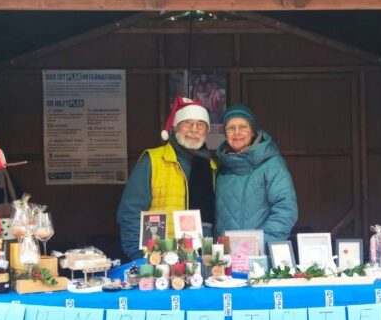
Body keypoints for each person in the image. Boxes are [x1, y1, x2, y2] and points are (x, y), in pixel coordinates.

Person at [117, 97, 216, 260]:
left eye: (200, 124)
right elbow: (130, 211)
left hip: (198, 259)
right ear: (176, 127)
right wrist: (138, 255)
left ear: (206, 131)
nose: (194, 129)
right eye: (187, 123)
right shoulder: (153, 160)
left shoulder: (211, 168)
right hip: (157, 259)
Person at [214, 104, 297, 245]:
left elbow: (285, 209)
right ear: (225, 133)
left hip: (259, 253)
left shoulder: (272, 165)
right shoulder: (221, 168)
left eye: (243, 127)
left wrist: (261, 244)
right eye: (231, 128)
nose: (237, 132)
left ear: (252, 131)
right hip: (226, 254)